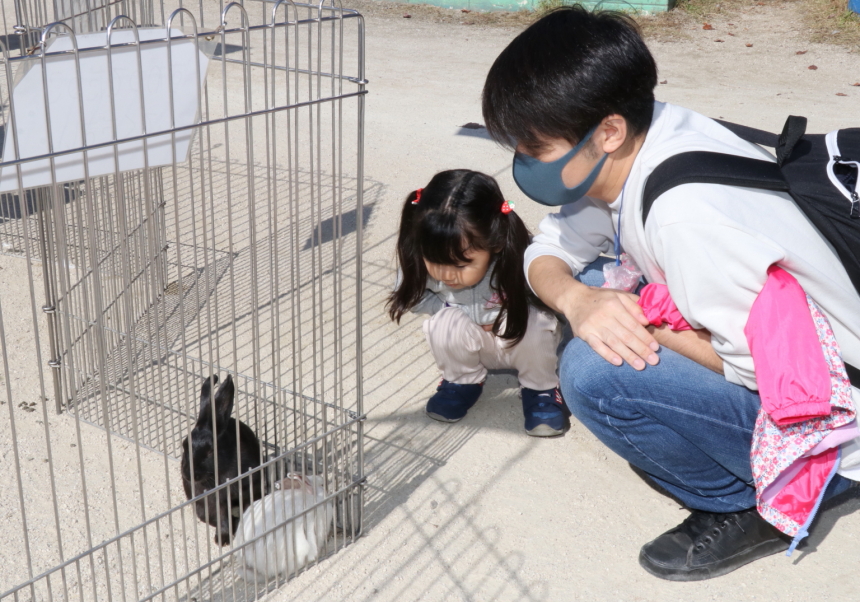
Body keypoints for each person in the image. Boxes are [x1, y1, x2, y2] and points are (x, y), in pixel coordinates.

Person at [481, 6, 860, 581]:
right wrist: (578, 301)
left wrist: (641, 322)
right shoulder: (644, 137)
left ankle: (754, 499)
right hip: (783, 328)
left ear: (607, 131)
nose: (523, 162)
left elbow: (767, 373)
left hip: (826, 409)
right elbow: (550, 250)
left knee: (593, 371)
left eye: (535, 148)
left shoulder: (685, 218)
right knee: (592, 294)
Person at [387, 169, 589, 437]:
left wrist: (509, 314)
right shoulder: (420, 259)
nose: (446, 275)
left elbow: (551, 302)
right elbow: (413, 297)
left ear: (495, 242)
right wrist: (455, 311)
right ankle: (462, 382)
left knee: (536, 319)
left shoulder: (521, 256)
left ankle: (540, 389)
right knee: (443, 323)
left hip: (518, 341)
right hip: (472, 346)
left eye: (461, 265)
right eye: (434, 261)